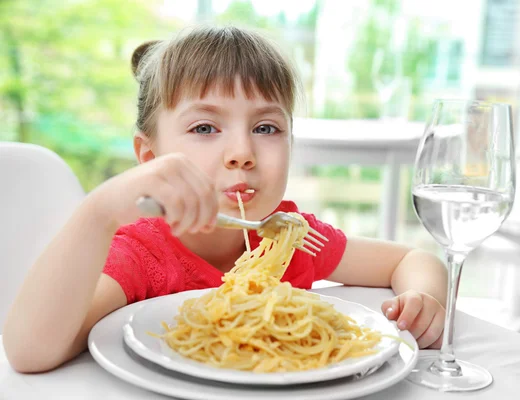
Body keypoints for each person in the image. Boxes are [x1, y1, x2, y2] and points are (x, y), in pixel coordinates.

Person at [3, 25, 447, 373]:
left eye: (266, 128)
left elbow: (409, 259)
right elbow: (29, 351)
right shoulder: (143, 253)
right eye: (204, 128)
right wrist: (98, 212)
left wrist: (422, 298)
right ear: (150, 158)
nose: (242, 154)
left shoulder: (289, 237)